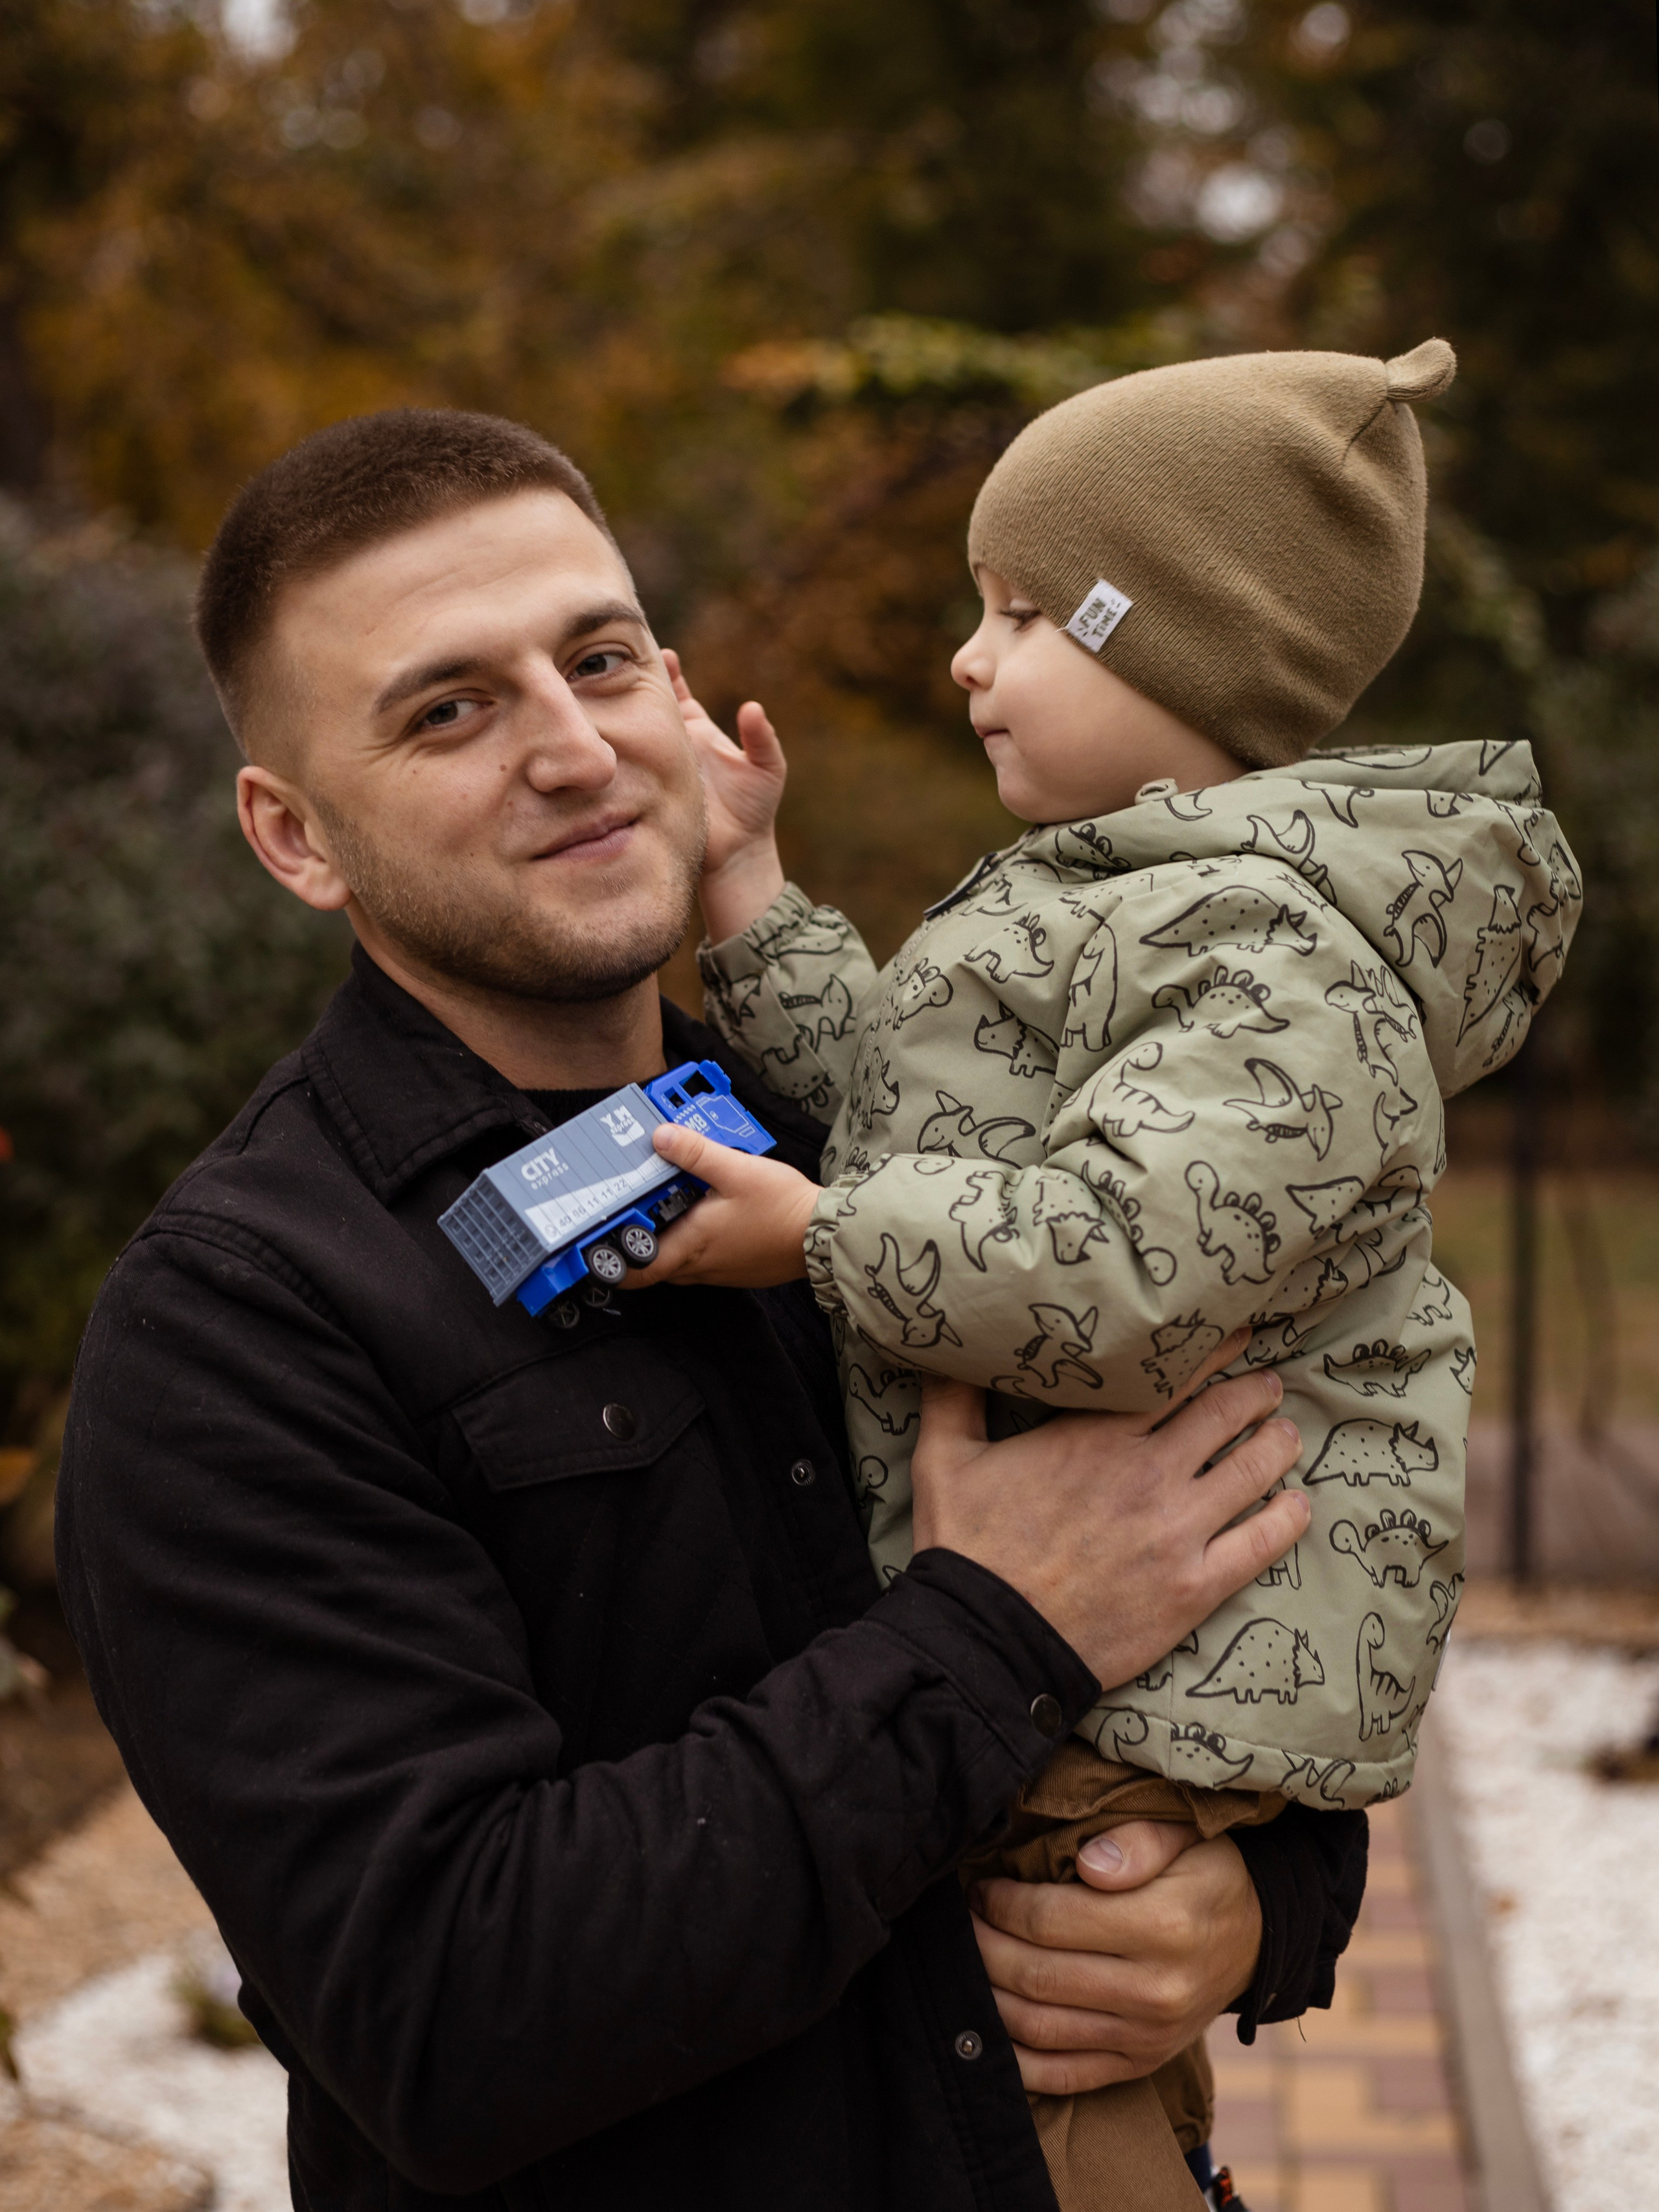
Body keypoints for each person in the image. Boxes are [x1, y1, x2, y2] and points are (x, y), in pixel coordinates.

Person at [54, 409, 1369, 2212]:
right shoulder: (240, 1330)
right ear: (297, 837)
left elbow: (1273, 1586)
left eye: (599, 661)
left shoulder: (884, 1146)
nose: (573, 748)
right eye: (450, 710)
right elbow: (446, 2016)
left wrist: (1259, 1910)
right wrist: (1004, 1630)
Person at [620, 339, 1583, 2204]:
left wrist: (817, 1239)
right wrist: (746, 893)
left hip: (1150, 1680)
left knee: (1050, 2093)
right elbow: (922, 1121)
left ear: (1183, 650)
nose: (967, 659)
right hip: (1070, 1647)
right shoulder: (1112, 901)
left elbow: (1127, 1272)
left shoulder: (1275, 959)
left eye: (1024, 613)